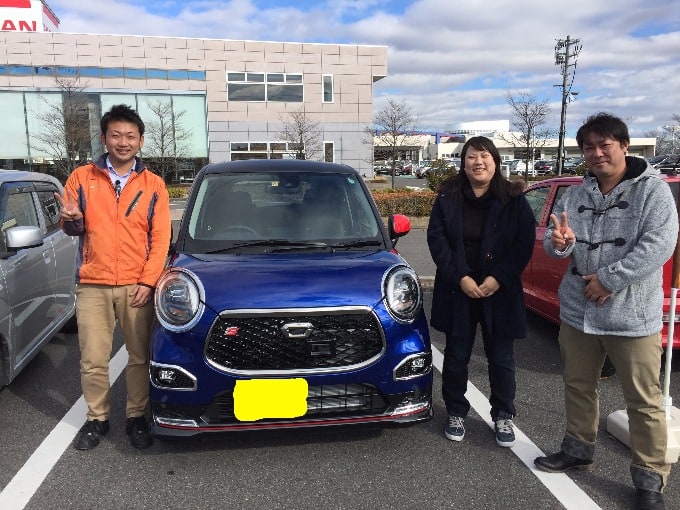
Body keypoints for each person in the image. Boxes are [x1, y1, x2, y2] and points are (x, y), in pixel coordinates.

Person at [533, 113, 677, 510]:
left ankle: (650, 479)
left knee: (643, 399)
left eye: (604, 145)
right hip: (578, 310)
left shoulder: (653, 190)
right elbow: (555, 243)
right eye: (589, 148)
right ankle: (578, 449)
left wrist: (608, 279)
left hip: (630, 313)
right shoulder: (577, 193)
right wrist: (559, 243)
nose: (596, 154)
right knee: (578, 384)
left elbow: (659, 244)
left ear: (624, 146)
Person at [56, 104, 171, 451]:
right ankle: (97, 418)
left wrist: (149, 281)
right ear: (105, 138)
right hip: (93, 283)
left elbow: (161, 238)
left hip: (137, 285)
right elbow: (71, 228)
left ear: (140, 141)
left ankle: (136, 416)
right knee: (92, 358)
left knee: (139, 356)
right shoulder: (82, 177)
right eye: (116, 135)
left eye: (130, 136)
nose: (123, 142)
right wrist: (73, 220)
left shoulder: (153, 185)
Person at [427, 136, 535, 447]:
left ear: (496, 162)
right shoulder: (448, 196)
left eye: (485, 156)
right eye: (472, 156)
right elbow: (437, 240)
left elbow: (523, 242)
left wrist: (499, 277)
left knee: (501, 358)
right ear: (463, 163)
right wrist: (459, 276)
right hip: (458, 289)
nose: (478, 162)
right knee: (457, 356)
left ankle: (503, 414)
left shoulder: (513, 198)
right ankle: (456, 411)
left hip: (498, 291)